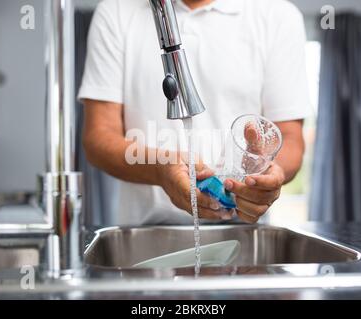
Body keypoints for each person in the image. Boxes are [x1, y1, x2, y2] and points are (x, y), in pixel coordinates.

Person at [79, 0, 312, 225]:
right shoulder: (115, 12)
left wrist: (268, 175)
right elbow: (98, 138)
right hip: (146, 232)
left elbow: (290, 139)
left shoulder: (278, 16)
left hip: (245, 228)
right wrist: (160, 169)